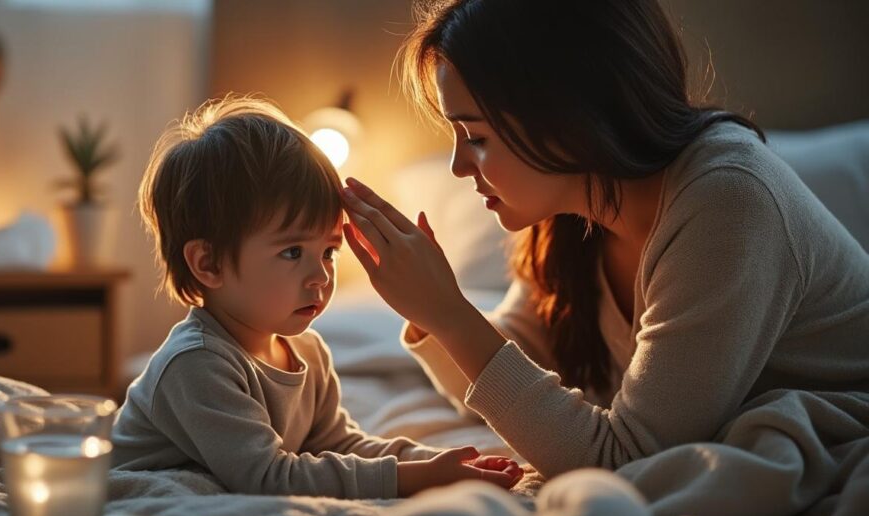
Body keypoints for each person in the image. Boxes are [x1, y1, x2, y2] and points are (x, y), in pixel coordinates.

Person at [340, 0, 869, 479]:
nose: (458, 166)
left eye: (476, 137)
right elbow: (507, 382)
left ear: (567, 118)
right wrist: (430, 310)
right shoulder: (575, 213)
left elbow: (627, 459)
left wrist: (451, 314)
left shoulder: (729, 201)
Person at [110, 95, 523, 498]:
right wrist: (412, 479)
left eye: (329, 252)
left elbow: (340, 445)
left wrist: (434, 463)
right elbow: (268, 477)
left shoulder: (308, 351)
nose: (321, 276)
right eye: (292, 252)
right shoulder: (196, 364)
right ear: (209, 264)